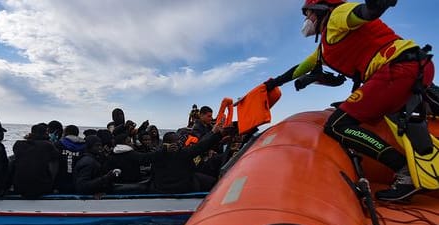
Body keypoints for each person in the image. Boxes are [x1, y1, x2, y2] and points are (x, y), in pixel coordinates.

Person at [263, 0, 435, 201]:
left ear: (321, 10)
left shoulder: (336, 17)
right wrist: (272, 83)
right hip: (414, 67)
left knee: (337, 125)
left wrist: (375, 7)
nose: (307, 19)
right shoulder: (326, 47)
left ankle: (404, 171)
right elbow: (300, 68)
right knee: (362, 114)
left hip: (398, 70)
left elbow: (360, 13)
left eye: (308, 13)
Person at [149, 123, 223, 194]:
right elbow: (202, 146)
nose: (180, 142)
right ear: (176, 143)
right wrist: (217, 134)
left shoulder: (156, 154)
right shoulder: (184, 153)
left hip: (160, 188)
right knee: (214, 182)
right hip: (183, 188)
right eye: (178, 141)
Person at [12, 123, 60, 198]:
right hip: (42, 188)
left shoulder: (18, 144)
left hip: (19, 187)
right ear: (46, 133)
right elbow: (55, 161)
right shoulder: (48, 145)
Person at [54, 125, 86, 193]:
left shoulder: (57, 145)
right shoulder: (85, 146)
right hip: (78, 182)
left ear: (65, 133)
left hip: (60, 182)